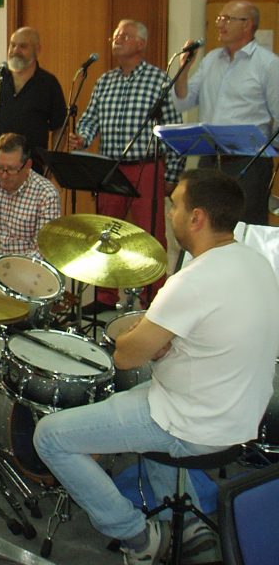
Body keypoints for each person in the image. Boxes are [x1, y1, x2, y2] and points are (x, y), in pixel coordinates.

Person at [33, 169, 279, 564]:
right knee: (141, 391)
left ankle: (139, 537)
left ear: (196, 217)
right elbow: (219, 336)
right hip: (242, 415)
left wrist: (138, 333)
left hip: (195, 424)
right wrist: (166, 343)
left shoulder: (192, 280)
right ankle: (191, 528)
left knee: (49, 437)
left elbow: (125, 356)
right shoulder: (256, 263)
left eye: (175, 205)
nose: (170, 213)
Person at [69, 20, 183, 305]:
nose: (117, 39)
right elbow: (90, 118)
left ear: (141, 44)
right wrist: (82, 138)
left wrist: (172, 173)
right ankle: (106, 297)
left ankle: (153, 297)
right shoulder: (104, 80)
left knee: (151, 236)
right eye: (116, 35)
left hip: (147, 166)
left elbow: (174, 130)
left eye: (125, 35)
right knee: (105, 233)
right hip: (109, 168)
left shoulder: (158, 80)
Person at [173, 0, 279, 224]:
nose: (220, 24)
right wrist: (184, 68)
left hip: (248, 162)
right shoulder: (211, 59)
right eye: (219, 19)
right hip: (210, 160)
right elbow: (183, 102)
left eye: (227, 19)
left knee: (244, 225)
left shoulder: (267, 64)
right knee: (205, 226)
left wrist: (266, 153)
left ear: (247, 25)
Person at [0, 27, 66, 173]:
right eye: (12, 45)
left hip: (31, 171)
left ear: (37, 50)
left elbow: (59, 128)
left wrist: (52, 165)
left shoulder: (49, 83)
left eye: (23, 46)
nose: (15, 50)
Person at [0, 133, 61, 258]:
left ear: (28, 166)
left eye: (11, 169)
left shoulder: (46, 194)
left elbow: (43, 250)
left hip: (27, 270)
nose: (4, 175)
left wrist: (7, 267)